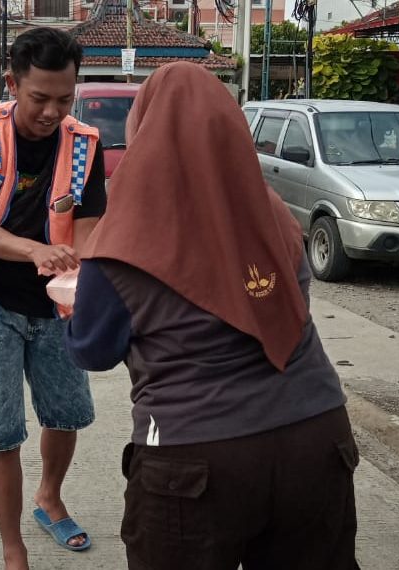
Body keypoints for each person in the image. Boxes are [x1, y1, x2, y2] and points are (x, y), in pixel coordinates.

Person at [64, 62, 359, 570]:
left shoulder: (120, 244)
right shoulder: (274, 217)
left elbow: (91, 350)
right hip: (316, 436)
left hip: (193, 458)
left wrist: (71, 304)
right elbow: (288, 309)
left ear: (143, 131)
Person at [0, 27, 106, 570]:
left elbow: (90, 227)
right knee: (1, 431)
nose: (53, 111)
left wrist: (80, 266)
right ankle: (14, 549)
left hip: (58, 305)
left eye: (65, 98)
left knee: (66, 415)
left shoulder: (85, 144)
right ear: (12, 84)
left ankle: (49, 497)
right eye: (40, 98)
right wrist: (35, 250)